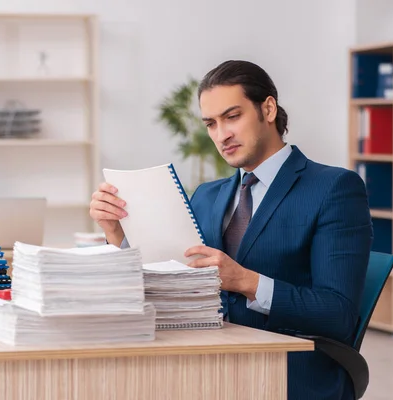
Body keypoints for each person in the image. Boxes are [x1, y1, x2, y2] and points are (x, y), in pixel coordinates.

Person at [89, 59, 373, 400]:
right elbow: (170, 282)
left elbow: (338, 314)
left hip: (287, 374)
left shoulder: (333, 188)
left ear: (268, 109)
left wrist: (245, 281)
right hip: (205, 364)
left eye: (232, 116)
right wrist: (118, 235)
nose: (221, 135)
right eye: (211, 123)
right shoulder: (207, 196)